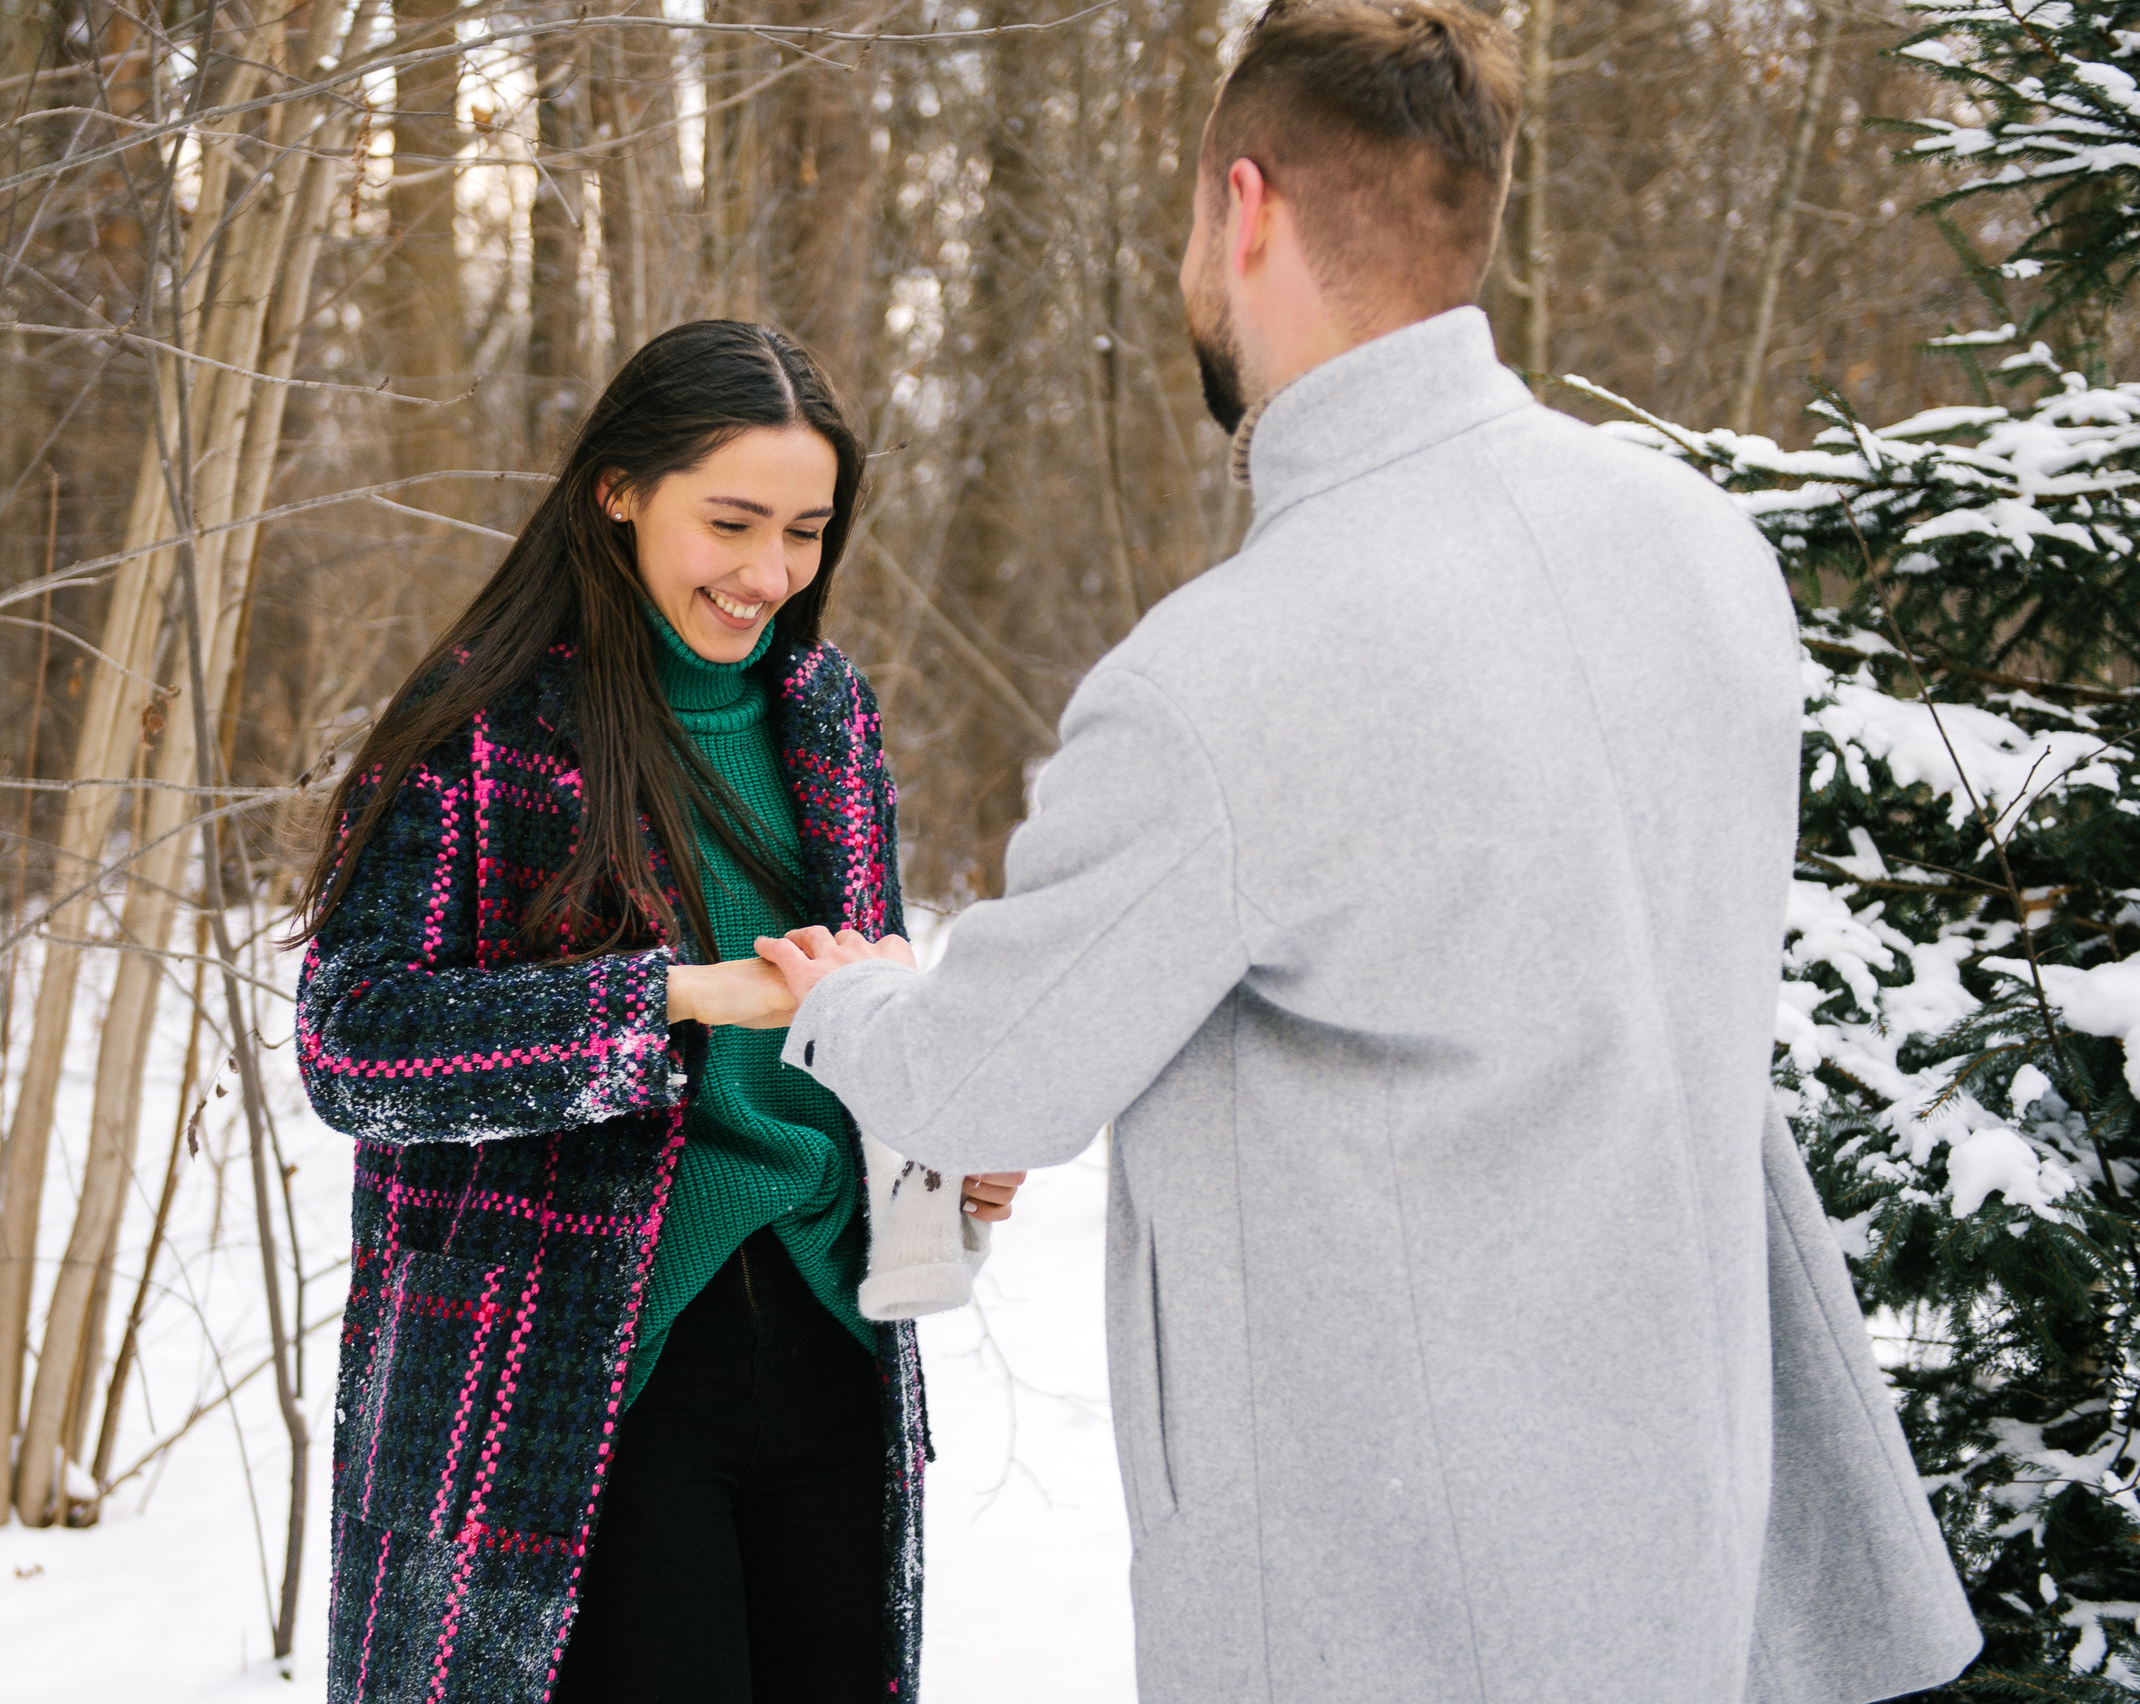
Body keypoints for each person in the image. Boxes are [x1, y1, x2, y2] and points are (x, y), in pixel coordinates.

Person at [752, 5, 1984, 1702]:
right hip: (1689, 1551)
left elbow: (986, 1081)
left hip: (1397, 1595)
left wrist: (851, 998)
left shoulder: (1226, 676)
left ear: (1244, 207)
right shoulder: (1702, 552)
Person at [290, 319, 1020, 1704]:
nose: (769, 574)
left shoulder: (827, 712)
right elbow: (355, 1044)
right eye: (731, 523)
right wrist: (672, 998)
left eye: (805, 531)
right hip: (577, 1373)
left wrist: (938, 1132)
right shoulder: (486, 727)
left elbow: (846, 1000)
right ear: (616, 490)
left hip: (834, 1331)